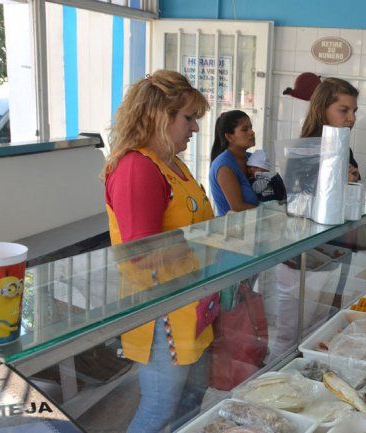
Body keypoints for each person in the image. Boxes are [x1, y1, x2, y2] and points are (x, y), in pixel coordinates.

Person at [102, 70, 216, 433]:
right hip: (161, 311)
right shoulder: (137, 168)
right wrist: (210, 241)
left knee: (190, 399)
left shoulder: (173, 164)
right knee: (158, 409)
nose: (195, 128)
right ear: (157, 115)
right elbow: (140, 253)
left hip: (191, 301)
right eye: (188, 118)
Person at [299, 76, 361, 182]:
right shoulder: (304, 152)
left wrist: (354, 177)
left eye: (354, 111)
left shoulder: (344, 150)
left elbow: (352, 183)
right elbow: (298, 194)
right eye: (344, 110)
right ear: (321, 111)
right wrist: (341, 181)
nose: (352, 118)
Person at [209, 109, 259, 215]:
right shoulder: (224, 166)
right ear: (229, 137)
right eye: (245, 129)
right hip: (231, 229)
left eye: (251, 127)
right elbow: (238, 208)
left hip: (255, 225)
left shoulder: (251, 159)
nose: (252, 132)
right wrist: (270, 212)